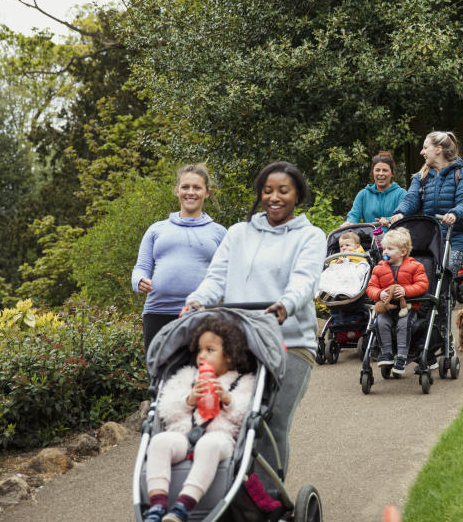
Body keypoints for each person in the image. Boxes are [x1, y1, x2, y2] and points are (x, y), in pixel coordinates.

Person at [184, 161, 325, 487]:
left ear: (297, 195)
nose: (274, 197)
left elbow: (304, 282)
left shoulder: (310, 237)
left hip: (289, 342)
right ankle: (227, 491)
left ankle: (268, 500)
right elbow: (215, 279)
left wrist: (285, 304)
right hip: (240, 341)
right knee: (228, 417)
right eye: (267, 190)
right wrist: (197, 299)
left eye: (283, 191)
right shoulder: (238, 233)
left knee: (270, 421)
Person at [142, 316, 256, 522]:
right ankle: (157, 506)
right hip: (183, 435)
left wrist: (228, 399)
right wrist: (189, 399)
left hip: (221, 438)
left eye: (210, 350)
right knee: (159, 442)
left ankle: (182, 507)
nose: (202, 356)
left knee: (208, 444)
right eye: (200, 350)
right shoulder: (188, 376)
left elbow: (246, 414)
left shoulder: (242, 381)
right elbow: (166, 408)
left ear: (229, 356)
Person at [133, 164, 227, 355]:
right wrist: (139, 281)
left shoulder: (219, 233)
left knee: (200, 378)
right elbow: (141, 267)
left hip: (203, 314)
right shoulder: (156, 229)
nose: (190, 192)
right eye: (185, 187)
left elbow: (229, 275)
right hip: (157, 313)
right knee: (159, 377)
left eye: (197, 187)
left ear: (206, 193)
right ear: (176, 191)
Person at [389, 131, 463, 280]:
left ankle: (447, 299)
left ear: (438, 149)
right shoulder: (420, 177)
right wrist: (400, 213)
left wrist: (454, 213)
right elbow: (411, 199)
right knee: (422, 277)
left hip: (454, 239)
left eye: (425, 148)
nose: (422, 152)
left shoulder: (461, 173)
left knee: (444, 276)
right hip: (429, 239)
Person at [367, 227, 429, 376]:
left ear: (403, 251)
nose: (385, 252)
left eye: (390, 248)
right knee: (380, 322)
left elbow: (422, 285)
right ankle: (387, 353)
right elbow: (371, 287)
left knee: (403, 324)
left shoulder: (415, 266)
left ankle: (402, 356)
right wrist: (380, 293)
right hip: (387, 308)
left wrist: (406, 291)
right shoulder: (379, 268)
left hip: (408, 308)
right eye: (384, 249)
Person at [342, 151, 406, 227]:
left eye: (385, 170)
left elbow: (404, 215)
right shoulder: (363, 194)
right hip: (369, 236)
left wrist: (388, 220)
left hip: (395, 236)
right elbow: (354, 215)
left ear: (392, 173)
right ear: (373, 172)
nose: (381, 173)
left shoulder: (401, 194)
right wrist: (349, 222)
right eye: (377, 170)